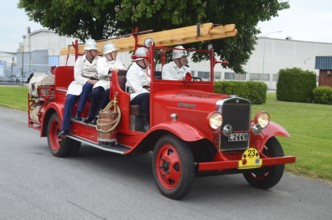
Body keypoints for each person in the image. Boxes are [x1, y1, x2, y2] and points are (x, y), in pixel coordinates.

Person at [58, 39, 100, 137]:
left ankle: (79, 112)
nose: (96, 52)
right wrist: (89, 80)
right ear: (88, 51)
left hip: (94, 83)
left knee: (88, 86)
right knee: (69, 99)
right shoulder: (80, 60)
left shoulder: (99, 60)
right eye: (94, 50)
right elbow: (77, 76)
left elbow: (100, 73)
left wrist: (93, 81)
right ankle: (65, 128)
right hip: (79, 83)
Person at [84, 42, 126, 124]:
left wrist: (120, 69)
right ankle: (91, 115)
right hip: (102, 82)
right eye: (114, 52)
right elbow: (101, 70)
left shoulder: (117, 61)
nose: (116, 54)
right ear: (108, 53)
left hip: (112, 84)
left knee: (108, 94)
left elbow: (122, 68)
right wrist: (111, 69)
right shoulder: (101, 60)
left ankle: (98, 115)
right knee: (95, 93)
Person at [125, 47, 150, 131]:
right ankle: (146, 123)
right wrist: (151, 92)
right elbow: (138, 88)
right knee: (146, 96)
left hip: (145, 92)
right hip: (133, 95)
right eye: (147, 59)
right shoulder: (132, 70)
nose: (149, 61)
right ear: (140, 60)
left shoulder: (147, 69)